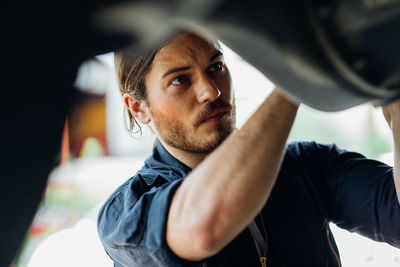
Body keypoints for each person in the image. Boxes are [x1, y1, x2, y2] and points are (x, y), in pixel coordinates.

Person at [97, 32, 400, 266]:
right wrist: (295, 81)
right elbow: (203, 228)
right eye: (180, 80)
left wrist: (393, 87)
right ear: (139, 108)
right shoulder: (126, 213)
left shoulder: (308, 166)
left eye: (215, 67)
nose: (211, 91)